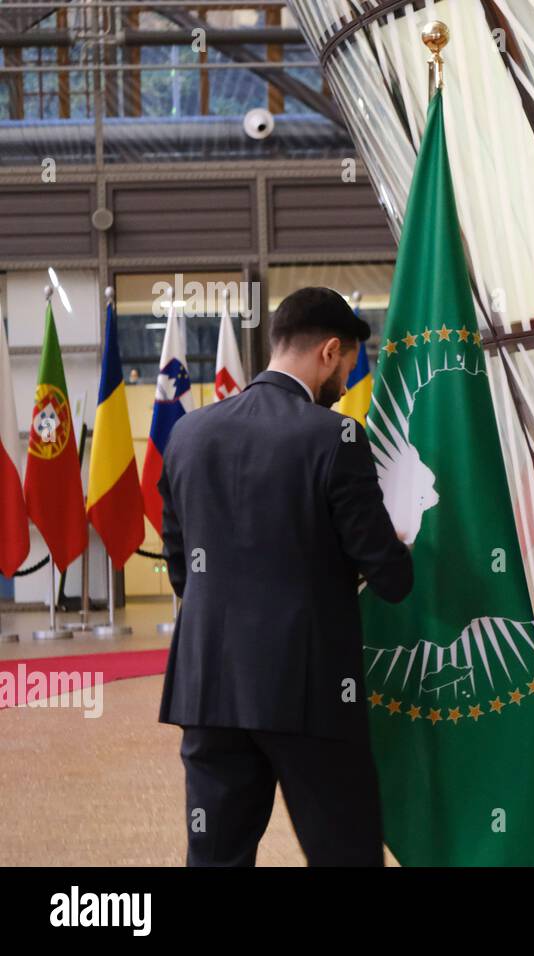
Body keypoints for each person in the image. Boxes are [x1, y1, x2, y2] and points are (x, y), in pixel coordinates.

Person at [157, 287, 413, 866]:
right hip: (310, 693)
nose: (345, 386)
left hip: (209, 688)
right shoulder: (336, 437)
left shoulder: (187, 435)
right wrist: (397, 548)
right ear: (328, 352)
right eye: (346, 369)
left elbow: (182, 568)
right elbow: (388, 575)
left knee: (216, 857)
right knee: (344, 854)